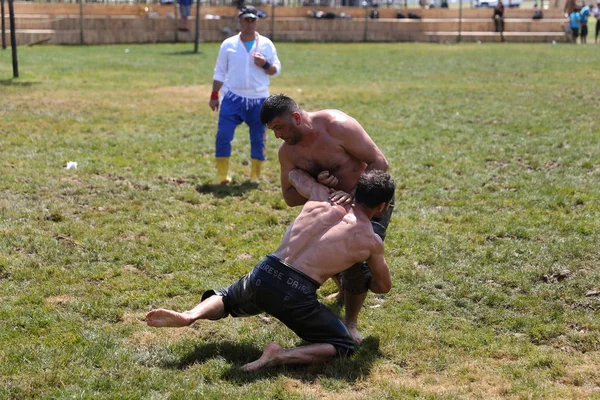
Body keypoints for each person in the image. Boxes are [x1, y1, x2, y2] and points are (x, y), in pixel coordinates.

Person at [146, 169, 395, 371]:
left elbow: (295, 176)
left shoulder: (322, 196)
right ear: (382, 206)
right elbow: (383, 287)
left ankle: (191, 315)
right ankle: (279, 355)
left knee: (227, 297)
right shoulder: (371, 241)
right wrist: (361, 273)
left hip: (266, 271)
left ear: (355, 191)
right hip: (297, 292)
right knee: (342, 345)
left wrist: (321, 181)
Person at [259, 94, 391, 343]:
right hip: (331, 207)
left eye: (279, 127)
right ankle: (344, 291)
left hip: (367, 201)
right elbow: (289, 197)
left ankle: (350, 322)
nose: (277, 136)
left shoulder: (337, 126)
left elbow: (380, 162)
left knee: (355, 262)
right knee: (321, 248)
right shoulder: (288, 153)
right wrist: (315, 184)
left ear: (296, 117)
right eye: (272, 130)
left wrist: (351, 197)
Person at [209, 5, 282, 184]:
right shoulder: (228, 44)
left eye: (252, 20)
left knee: (258, 138)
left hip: (259, 99)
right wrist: (214, 95)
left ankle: (255, 175)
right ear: (239, 21)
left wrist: (264, 64)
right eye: (245, 20)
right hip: (233, 97)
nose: (249, 24)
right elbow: (219, 71)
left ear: (256, 21)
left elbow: (276, 70)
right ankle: (222, 175)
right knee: (223, 135)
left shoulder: (266, 44)